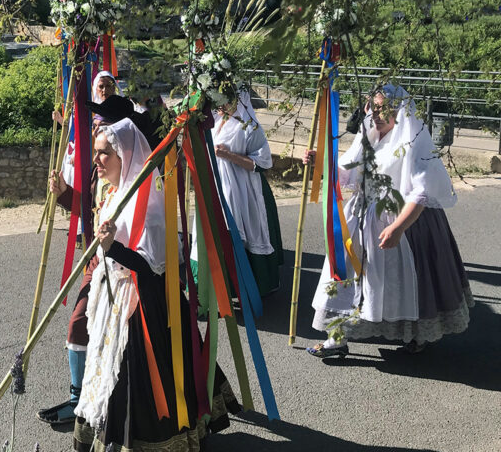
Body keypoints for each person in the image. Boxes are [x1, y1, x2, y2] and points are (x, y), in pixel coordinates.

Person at [73, 118, 239, 451]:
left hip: (142, 301)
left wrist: (113, 248)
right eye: (97, 153)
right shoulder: (114, 192)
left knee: (142, 373)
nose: (97, 161)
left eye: (104, 153)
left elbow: (152, 266)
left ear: (124, 156)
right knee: (107, 367)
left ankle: (154, 440)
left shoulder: (146, 202)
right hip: (113, 295)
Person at [305, 84, 472, 358]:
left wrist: (398, 227)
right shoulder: (367, 135)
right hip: (360, 220)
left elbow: (421, 193)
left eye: (385, 109)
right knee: (343, 275)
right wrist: (321, 164)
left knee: (406, 282)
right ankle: (336, 337)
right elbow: (348, 174)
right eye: (374, 108)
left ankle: (415, 334)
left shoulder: (413, 140)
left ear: (400, 110)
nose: (377, 114)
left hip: (404, 221)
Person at [37, 94, 135, 425]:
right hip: (98, 260)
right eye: (95, 123)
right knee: (81, 323)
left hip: (129, 272)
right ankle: (78, 397)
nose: (96, 128)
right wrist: (64, 192)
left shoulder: (137, 172)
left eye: (102, 123)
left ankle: (115, 403)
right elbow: (91, 210)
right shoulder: (100, 168)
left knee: (129, 340)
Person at [191, 90, 283, 300]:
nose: (222, 106)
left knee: (241, 231)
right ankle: (213, 285)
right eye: (220, 101)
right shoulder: (215, 119)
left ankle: (244, 286)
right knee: (213, 229)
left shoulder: (250, 126)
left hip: (243, 188)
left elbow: (263, 163)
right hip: (217, 183)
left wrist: (228, 155)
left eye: (227, 101)